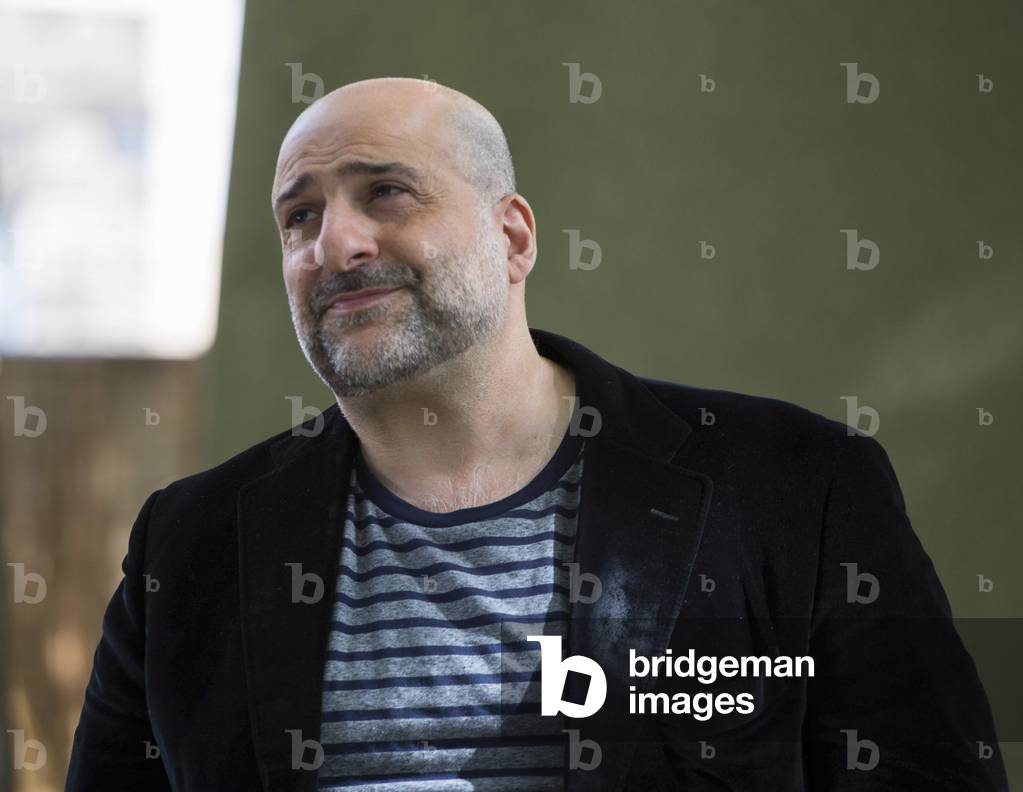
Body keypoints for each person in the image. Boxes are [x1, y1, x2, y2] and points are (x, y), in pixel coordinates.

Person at [66, 77, 1007, 791]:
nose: (335, 245)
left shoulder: (795, 488)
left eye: (386, 192)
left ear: (513, 238)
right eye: (299, 215)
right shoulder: (187, 544)